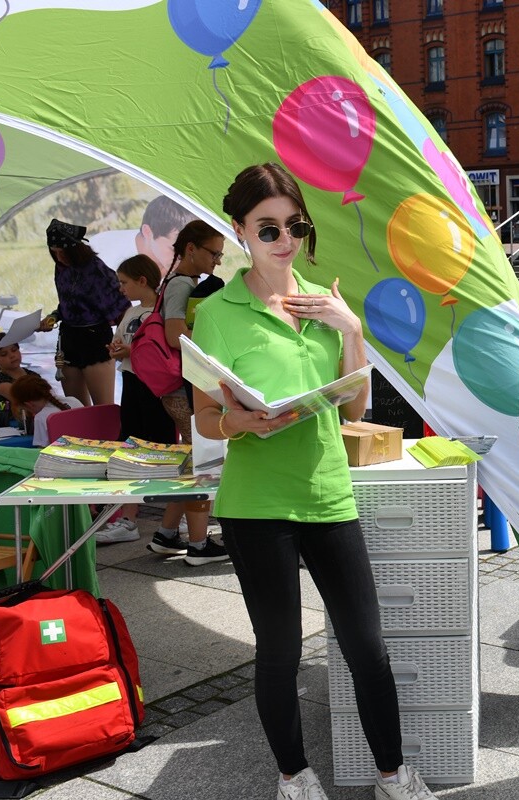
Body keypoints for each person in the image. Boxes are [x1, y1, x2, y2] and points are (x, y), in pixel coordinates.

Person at [191, 162, 438, 800]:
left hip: (329, 494)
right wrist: (241, 421)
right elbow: (206, 419)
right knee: (280, 651)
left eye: (294, 226)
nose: (285, 240)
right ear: (240, 230)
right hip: (256, 504)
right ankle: (294, 776)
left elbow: (354, 408)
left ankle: (393, 775)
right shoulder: (217, 312)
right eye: (267, 228)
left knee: (367, 646)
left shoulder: (326, 304)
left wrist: (350, 329)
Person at [144, 220, 228, 565]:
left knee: (194, 459)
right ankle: (198, 544)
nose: (217, 261)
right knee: (203, 463)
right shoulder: (181, 284)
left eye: (220, 255)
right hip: (183, 387)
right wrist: (217, 334)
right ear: (191, 249)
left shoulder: (181, 282)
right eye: (213, 253)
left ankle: (166, 535)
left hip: (178, 386)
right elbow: (174, 334)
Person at [95, 255, 179, 545]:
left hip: (155, 387)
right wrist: (117, 349)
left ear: (142, 281)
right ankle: (128, 518)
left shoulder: (162, 311)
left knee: (163, 448)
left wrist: (131, 352)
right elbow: (122, 342)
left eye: (124, 282)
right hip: (132, 382)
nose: (121, 288)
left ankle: (175, 515)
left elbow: (162, 351)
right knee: (129, 445)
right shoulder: (131, 313)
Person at [38, 219, 131, 407]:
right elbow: (67, 304)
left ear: (74, 249)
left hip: (95, 339)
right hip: (69, 339)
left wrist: (123, 341)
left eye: (62, 252)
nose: (59, 257)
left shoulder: (96, 269)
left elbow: (122, 307)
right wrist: (53, 317)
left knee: (102, 408)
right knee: (75, 408)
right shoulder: (61, 268)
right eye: (54, 252)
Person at [91, 195, 198, 275]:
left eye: (190, 250)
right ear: (147, 232)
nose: (183, 258)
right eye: (174, 249)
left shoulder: (196, 269)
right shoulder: (101, 251)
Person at [0, 331, 40, 429]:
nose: (12, 355)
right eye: (4, 354)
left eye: (14, 350)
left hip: (31, 424)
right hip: (4, 429)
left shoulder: (33, 375)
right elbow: (26, 401)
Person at [8, 373, 83, 447]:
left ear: (28, 405)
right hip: (87, 451)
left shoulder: (41, 417)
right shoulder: (74, 401)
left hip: (62, 454)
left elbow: (42, 449)